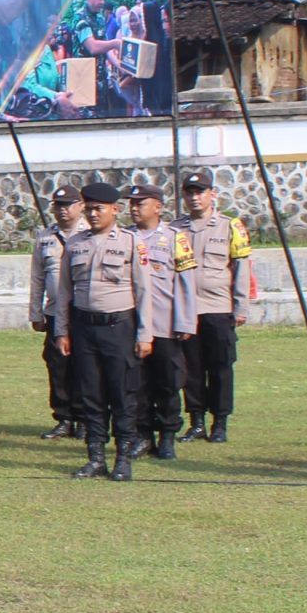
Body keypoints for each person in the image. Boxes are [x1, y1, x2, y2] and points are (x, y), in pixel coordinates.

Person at [55, 182, 151, 481]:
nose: (93, 214)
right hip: (85, 328)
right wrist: (62, 330)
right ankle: (95, 456)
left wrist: (145, 333)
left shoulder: (131, 243)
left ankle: (123, 457)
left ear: (115, 210)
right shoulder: (75, 244)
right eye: (89, 208)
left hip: (119, 327)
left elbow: (144, 290)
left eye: (99, 209)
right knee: (90, 395)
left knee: (122, 394)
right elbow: (63, 291)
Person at [175, 170, 255, 442]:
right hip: (186, 310)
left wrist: (240, 306)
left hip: (219, 307)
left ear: (213, 195)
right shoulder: (175, 229)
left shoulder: (229, 226)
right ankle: (196, 421)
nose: (195, 197)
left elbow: (241, 268)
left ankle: (219, 423)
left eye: (200, 192)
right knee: (191, 368)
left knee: (220, 367)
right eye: (190, 192)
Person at [125, 184, 198, 460]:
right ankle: (142, 435)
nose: (134, 208)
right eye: (132, 203)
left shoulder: (175, 238)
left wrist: (186, 322)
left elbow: (185, 283)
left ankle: (167, 435)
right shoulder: (124, 237)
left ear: (158, 206)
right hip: (132, 326)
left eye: (140, 203)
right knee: (137, 384)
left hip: (164, 323)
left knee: (167, 383)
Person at [28, 186, 85, 439]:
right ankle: (63, 417)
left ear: (81, 205)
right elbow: (37, 277)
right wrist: (35, 312)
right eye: (58, 205)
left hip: (83, 311)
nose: (63, 210)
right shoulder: (45, 237)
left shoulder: (89, 233)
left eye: (68, 204)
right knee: (57, 365)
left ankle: (85, 418)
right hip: (54, 311)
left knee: (85, 365)